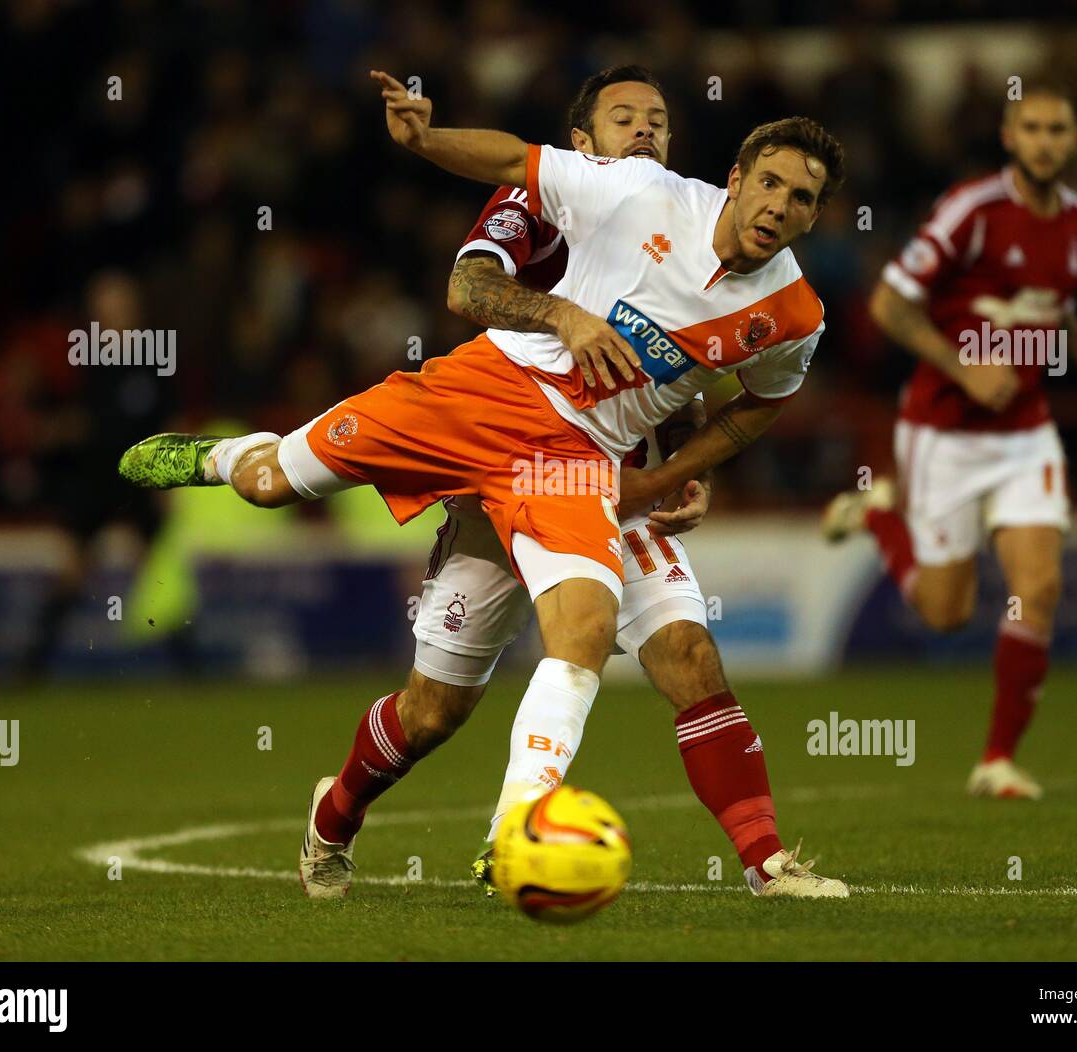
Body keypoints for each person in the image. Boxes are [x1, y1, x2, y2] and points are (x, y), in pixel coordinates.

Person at [119, 68, 848, 897]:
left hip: (578, 458)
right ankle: (227, 459)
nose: (779, 207)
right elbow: (487, 224)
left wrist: (673, 475)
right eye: (625, 118)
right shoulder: (616, 194)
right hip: (481, 397)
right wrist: (427, 141)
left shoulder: (793, 316)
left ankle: (531, 835)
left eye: (801, 199)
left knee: (619, 635)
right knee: (298, 522)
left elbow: (752, 405)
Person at [823, 84, 1077, 799]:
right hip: (944, 433)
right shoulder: (973, 211)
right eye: (1034, 127)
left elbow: (1056, 310)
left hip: (1024, 433)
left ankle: (996, 760)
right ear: (1009, 136)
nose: (1047, 139)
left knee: (1039, 589)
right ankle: (878, 515)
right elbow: (888, 302)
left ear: (1074, 140)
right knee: (945, 614)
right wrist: (963, 365)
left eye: (1059, 128)